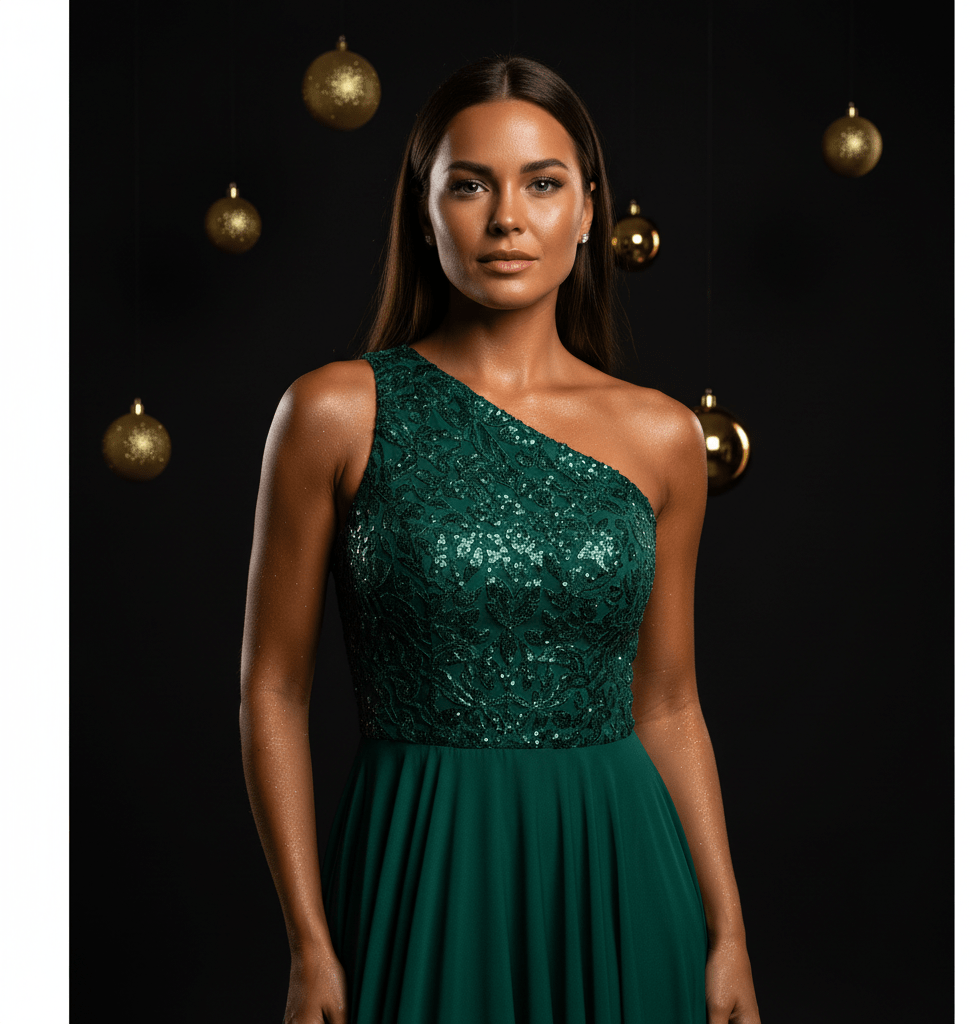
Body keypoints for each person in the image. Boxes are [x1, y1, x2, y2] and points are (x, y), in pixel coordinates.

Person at [240, 54, 761, 1024]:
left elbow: (668, 702)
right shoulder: (335, 411)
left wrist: (727, 931)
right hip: (422, 857)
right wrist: (308, 940)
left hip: (620, 864)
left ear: (589, 210)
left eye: (543, 183)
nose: (507, 218)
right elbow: (272, 687)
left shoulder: (663, 436)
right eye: (470, 184)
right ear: (423, 209)